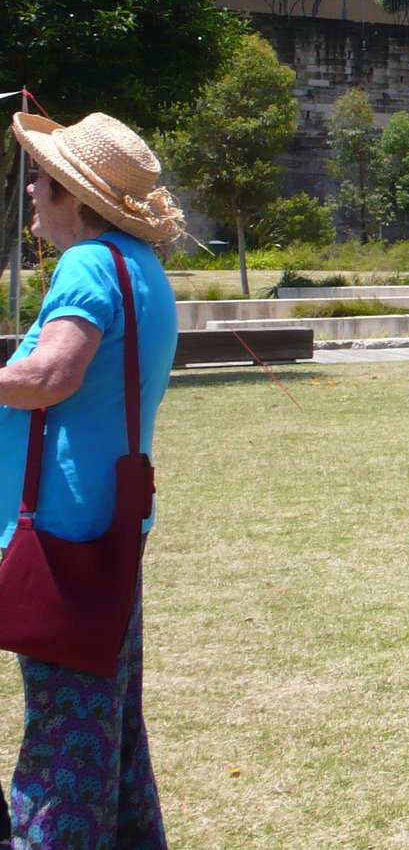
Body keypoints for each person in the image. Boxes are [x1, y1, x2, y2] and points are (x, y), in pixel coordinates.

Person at [0, 112, 181, 848]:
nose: (33, 190)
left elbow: (51, 374)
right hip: (108, 528)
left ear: (77, 198)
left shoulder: (86, 265)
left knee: (68, 738)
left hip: (59, 535)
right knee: (108, 721)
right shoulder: (140, 266)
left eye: (43, 179)